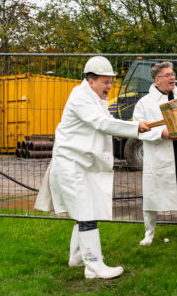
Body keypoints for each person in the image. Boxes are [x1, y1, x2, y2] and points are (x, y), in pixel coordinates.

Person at [47, 56, 150, 280]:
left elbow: (107, 124)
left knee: (84, 211)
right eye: (105, 81)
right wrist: (136, 127)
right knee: (86, 213)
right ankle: (93, 266)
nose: (109, 86)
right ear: (91, 80)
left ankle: (77, 258)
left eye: (110, 81)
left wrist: (137, 127)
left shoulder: (96, 99)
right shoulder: (80, 97)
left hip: (82, 164)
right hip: (73, 164)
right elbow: (102, 124)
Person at [134, 61, 177, 247]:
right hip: (159, 154)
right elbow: (138, 128)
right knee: (152, 195)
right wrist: (161, 133)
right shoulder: (144, 103)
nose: (172, 78)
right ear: (157, 79)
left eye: (173, 75)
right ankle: (148, 234)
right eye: (168, 75)